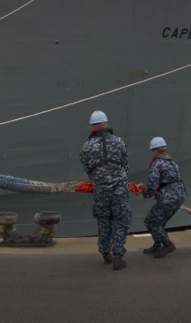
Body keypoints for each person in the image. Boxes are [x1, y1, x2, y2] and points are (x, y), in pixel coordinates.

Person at [79, 110, 130, 270]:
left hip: (100, 189)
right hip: (119, 187)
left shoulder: (86, 147)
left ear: (91, 126)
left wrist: (98, 179)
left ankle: (105, 252)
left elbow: (87, 167)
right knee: (120, 219)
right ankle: (118, 256)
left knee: (103, 219)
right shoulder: (119, 141)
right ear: (105, 124)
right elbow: (125, 164)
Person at [142, 137, 187, 258]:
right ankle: (157, 245)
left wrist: (145, 194)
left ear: (154, 151)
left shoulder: (157, 164)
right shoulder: (172, 162)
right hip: (180, 195)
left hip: (168, 197)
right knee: (159, 221)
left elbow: (152, 185)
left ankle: (167, 245)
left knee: (151, 221)